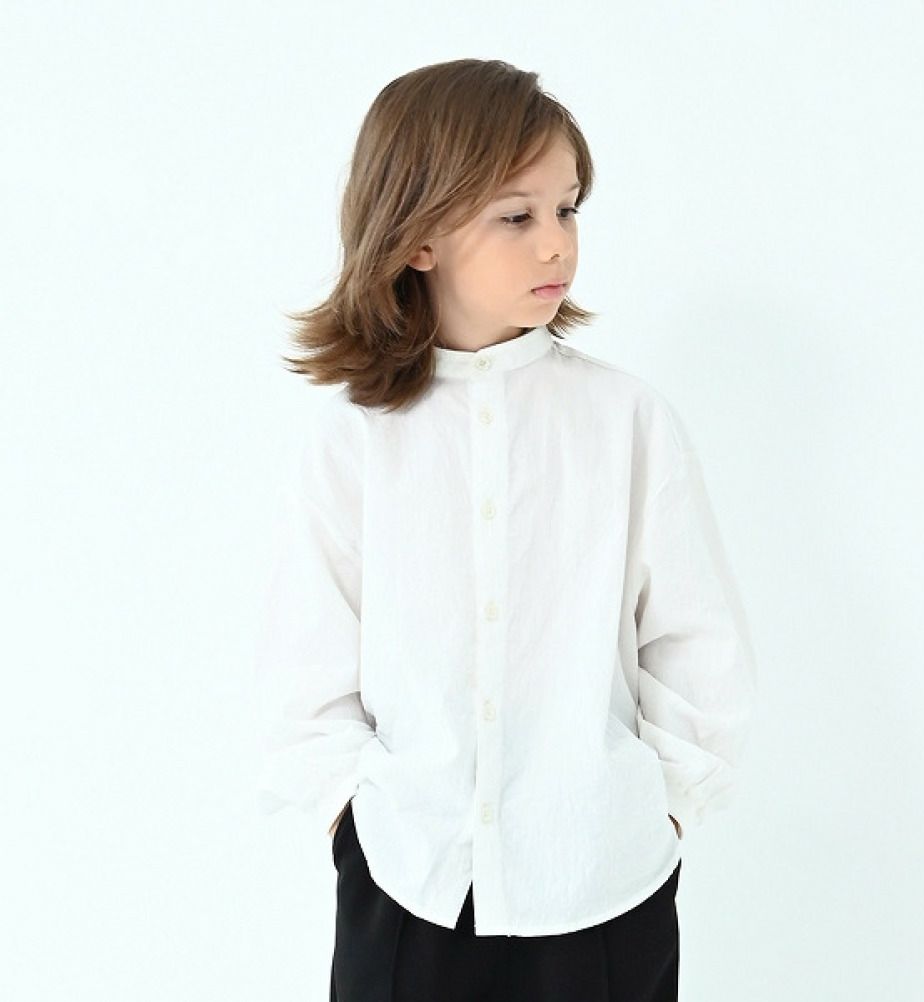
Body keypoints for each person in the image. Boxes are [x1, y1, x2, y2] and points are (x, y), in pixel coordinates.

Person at [254, 58, 758, 1002]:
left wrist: (663, 811)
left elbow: (698, 643)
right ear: (417, 237)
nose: (556, 244)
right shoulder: (355, 439)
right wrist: (352, 819)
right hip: (407, 882)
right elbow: (304, 663)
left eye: (567, 209)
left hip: (603, 885)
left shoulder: (625, 421)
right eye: (516, 216)